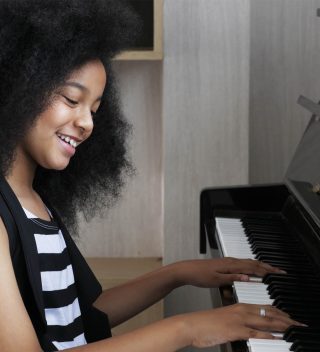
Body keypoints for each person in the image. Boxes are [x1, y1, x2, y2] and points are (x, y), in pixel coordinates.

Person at [0, 1, 303, 351]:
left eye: (95, 110)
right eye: (71, 99)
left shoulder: (35, 203)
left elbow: (81, 317)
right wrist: (186, 329)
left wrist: (176, 274)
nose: (87, 123)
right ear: (17, 87)